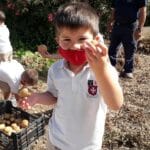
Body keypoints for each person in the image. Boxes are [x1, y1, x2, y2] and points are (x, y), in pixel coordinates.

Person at [20, 2, 123, 150]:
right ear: (58, 41)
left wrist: (101, 72)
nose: (75, 46)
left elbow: (115, 104)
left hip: (86, 146)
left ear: (95, 40)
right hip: (56, 139)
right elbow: (53, 96)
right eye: (67, 40)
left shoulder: (103, 71)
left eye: (82, 39)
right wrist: (37, 97)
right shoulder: (56, 70)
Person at [108, 0, 147, 79]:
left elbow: (143, 12)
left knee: (130, 49)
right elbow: (113, 10)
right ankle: (111, 70)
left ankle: (128, 71)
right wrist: (110, 22)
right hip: (117, 26)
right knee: (112, 48)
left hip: (131, 26)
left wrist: (139, 29)